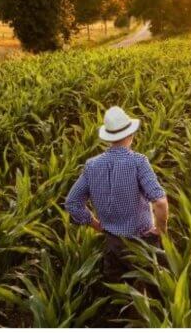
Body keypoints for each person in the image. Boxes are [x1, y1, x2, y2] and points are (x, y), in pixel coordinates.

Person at [65, 106, 169, 282]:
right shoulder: (138, 162)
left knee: (118, 292)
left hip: (112, 244)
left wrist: (97, 225)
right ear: (131, 134)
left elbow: (72, 203)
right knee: (149, 291)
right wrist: (161, 229)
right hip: (141, 242)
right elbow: (160, 202)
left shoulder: (92, 165)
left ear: (108, 138)